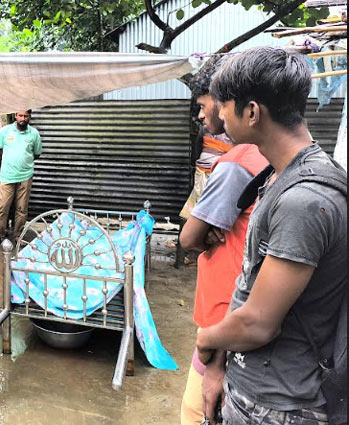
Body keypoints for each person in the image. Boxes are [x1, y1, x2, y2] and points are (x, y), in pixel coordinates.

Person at [195, 47, 347, 425]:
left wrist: (206, 340)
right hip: (252, 384)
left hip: (282, 404)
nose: (219, 115)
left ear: (251, 112)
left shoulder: (305, 201)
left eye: (223, 105)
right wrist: (217, 369)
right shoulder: (278, 176)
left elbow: (258, 322)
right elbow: (247, 284)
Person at [177, 58, 268, 425]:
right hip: (239, 306)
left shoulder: (235, 164)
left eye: (203, 106)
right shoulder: (267, 160)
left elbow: (189, 237)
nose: (201, 116)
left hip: (223, 311)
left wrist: (203, 232)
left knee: (196, 409)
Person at [0, 110, 42, 247]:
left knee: (22, 208)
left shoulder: (34, 134)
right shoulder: (5, 131)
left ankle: (18, 235)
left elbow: (36, 154)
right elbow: (0, 150)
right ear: (15, 116)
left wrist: (24, 162)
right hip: (7, 175)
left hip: (25, 176)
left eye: (25, 116)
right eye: (20, 115)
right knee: (2, 207)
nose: (23, 119)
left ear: (29, 116)